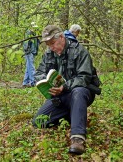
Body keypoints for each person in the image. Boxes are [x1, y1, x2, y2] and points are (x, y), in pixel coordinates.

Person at [32, 25, 96, 155]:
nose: (51, 47)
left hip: (79, 94)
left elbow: (85, 77)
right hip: (59, 97)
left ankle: (77, 138)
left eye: (53, 43)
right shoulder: (49, 54)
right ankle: (71, 115)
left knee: (79, 92)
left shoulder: (79, 50)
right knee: (39, 121)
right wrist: (46, 81)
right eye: (48, 45)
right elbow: (39, 73)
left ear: (61, 37)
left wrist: (64, 86)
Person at [22, 22, 39, 87]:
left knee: (28, 67)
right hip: (29, 52)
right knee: (31, 67)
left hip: (32, 52)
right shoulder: (28, 33)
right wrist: (27, 51)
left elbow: (36, 43)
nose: (35, 29)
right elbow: (26, 44)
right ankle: (32, 82)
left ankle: (25, 82)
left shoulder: (34, 34)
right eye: (34, 27)